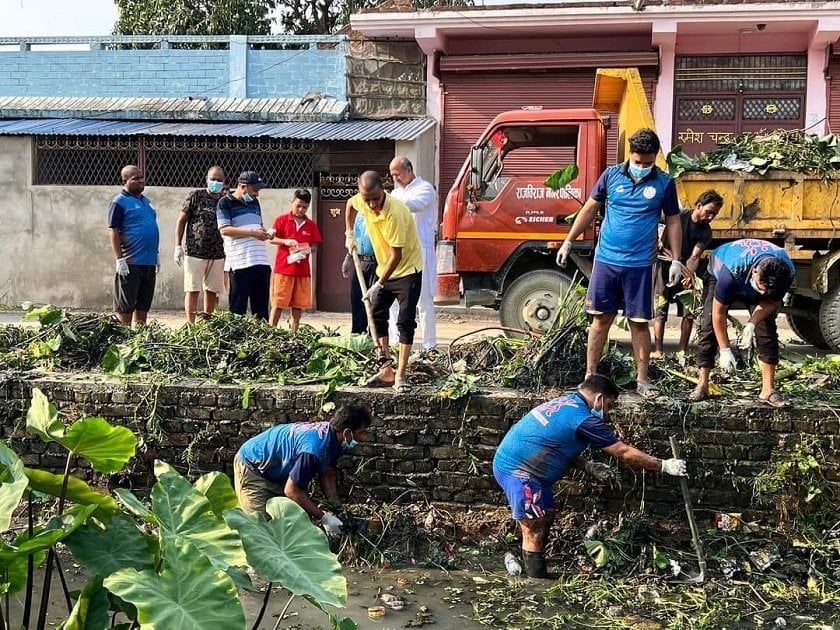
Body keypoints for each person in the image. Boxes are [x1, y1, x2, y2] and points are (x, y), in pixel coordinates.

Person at [492, 375, 687, 578]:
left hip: (524, 469)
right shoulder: (584, 420)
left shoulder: (566, 403)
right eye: (609, 405)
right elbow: (623, 452)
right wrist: (663, 465)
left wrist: (588, 466)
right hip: (519, 474)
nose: (607, 412)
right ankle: (535, 585)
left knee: (547, 513)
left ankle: (529, 560)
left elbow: (555, 445)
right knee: (534, 527)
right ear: (599, 398)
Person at [559, 128, 682, 400]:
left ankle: (642, 380)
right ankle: (589, 377)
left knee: (639, 323)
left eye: (647, 163)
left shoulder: (664, 183)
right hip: (607, 261)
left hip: (640, 265)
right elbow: (590, 207)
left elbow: (673, 220)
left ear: (655, 158)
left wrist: (676, 258)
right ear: (630, 154)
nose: (641, 167)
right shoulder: (611, 176)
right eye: (638, 162)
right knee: (600, 319)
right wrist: (569, 239)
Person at [233, 402, 372, 538]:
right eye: (361, 432)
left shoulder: (334, 439)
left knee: (288, 524)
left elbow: (327, 474)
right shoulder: (314, 450)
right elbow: (291, 490)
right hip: (252, 467)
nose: (362, 437)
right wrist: (324, 518)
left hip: (277, 470)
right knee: (260, 530)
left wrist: (337, 510)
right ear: (347, 432)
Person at [689, 238, 795, 407]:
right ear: (754, 272)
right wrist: (724, 350)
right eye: (761, 286)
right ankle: (702, 384)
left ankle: (768, 389)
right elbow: (719, 312)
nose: (764, 292)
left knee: (766, 329)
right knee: (708, 327)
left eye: (768, 290)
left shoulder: (785, 272)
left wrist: (752, 323)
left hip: (754, 275)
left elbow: (773, 302)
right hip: (720, 268)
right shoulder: (733, 271)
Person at [345, 171, 423, 394]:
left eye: (375, 199)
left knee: (405, 322)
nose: (370, 205)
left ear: (383, 189)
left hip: (407, 271)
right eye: (366, 199)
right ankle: (386, 368)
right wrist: (349, 233)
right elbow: (350, 206)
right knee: (376, 315)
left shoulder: (395, 212)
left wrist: (378, 283)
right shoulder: (362, 199)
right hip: (384, 269)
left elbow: (395, 256)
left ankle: (400, 375)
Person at [652, 189, 724, 358]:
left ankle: (681, 352)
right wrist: (655, 239)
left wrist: (689, 276)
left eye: (714, 214)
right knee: (660, 309)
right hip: (664, 267)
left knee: (688, 313)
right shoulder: (676, 216)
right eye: (709, 212)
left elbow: (694, 256)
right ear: (698, 206)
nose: (711, 217)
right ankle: (658, 351)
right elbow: (654, 224)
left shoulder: (706, 232)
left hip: (686, 269)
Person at [387, 156, 438, 357]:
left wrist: (388, 200)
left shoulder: (425, 188)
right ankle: (394, 342)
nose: (395, 178)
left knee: (423, 301)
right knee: (393, 299)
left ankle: (429, 346)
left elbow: (414, 205)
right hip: (400, 252)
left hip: (421, 251)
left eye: (397, 173)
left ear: (408, 170)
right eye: (392, 175)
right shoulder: (395, 192)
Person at [107, 165, 159, 328]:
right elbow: (113, 231)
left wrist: (156, 254)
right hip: (130, 262)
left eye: (142, 177)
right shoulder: (119, 202)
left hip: (148, 262)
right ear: (124, 181)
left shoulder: (147, 201)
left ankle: (139, 338)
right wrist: (119, 259)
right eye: (135, 178)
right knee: (126, 305)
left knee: (143, 304)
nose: (140, 181)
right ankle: (124, 337)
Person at [174, 166, 227, 323]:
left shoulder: (225, 202)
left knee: (212, 291)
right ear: (207, 179)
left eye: (219, 180)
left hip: (218, 254)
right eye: (213, 179)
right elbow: (181, 220)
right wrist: (177, 246)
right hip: (195, 252)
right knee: (192, 289)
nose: (216, 182)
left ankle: (207, 322)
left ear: (224, 182)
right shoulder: (196, 196)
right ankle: (190, 324)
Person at [217, 171, 272, 320]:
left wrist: (264, 233)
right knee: (237, 309)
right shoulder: (225, 202)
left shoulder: (255, 203)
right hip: (240, 263)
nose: (257, 194)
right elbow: (225, 230)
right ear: (243, 186)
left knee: (261, 311)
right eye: (255, 190)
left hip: (260, 261)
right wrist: (252, 233)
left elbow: (257, 226)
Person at [269, 189, 322, 332]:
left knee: (297, 305)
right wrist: (285, 242)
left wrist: (306, 250)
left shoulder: (311, 225)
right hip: (283, 269)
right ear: (291, 202)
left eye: (304, 207)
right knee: (278, 303)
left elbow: (315, 246)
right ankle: (271, 331)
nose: (301, 209)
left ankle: (294, 334)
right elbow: (271, 239)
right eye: (298, 205)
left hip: (302, 271)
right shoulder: (281, 220)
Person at [341, 212, 379, 335]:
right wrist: (348, 259)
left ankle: (375, 335)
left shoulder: (381, 214)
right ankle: (357, 333)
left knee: (375, 300)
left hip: (378, 262)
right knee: (357, 298)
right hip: (361, 262)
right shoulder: (359, 215)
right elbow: (354, 238)